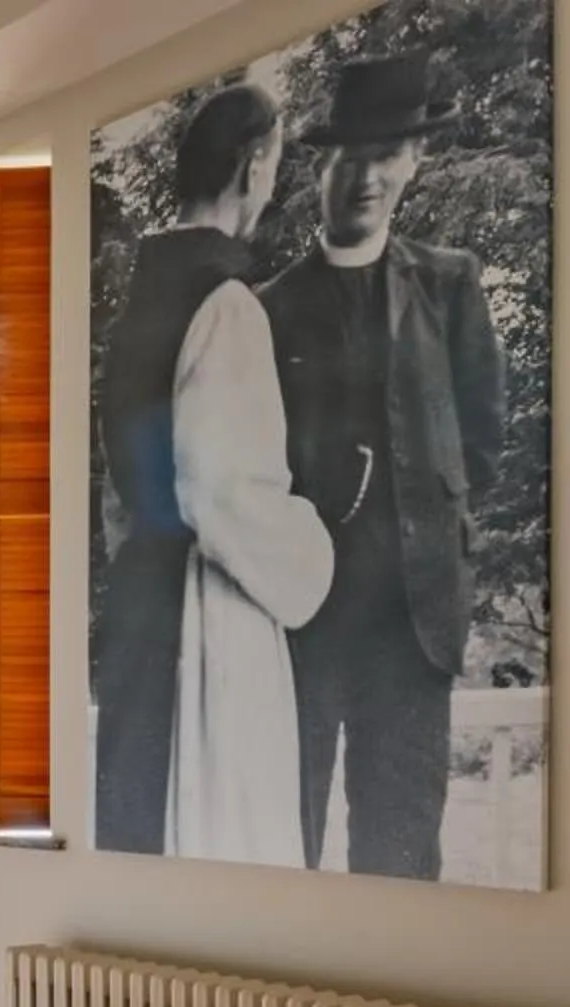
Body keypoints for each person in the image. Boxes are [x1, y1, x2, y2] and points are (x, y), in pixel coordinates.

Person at [261, 49, 509, 880]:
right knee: (280, 845)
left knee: (402, 857)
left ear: (413, 163)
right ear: (322, 165)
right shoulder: (270, 309)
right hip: (300, 624)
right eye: (350, 157)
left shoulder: (449, 287)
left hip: (411, 628)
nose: (366, 176)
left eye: (385, 156)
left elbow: (479, 442)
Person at [95, 84, 334, 864]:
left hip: (143, 607)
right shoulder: (227, 304)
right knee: (223, 837)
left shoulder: (144, 304)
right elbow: (221, 491)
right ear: (255, 164)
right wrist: (311, 549)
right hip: (207, 611)